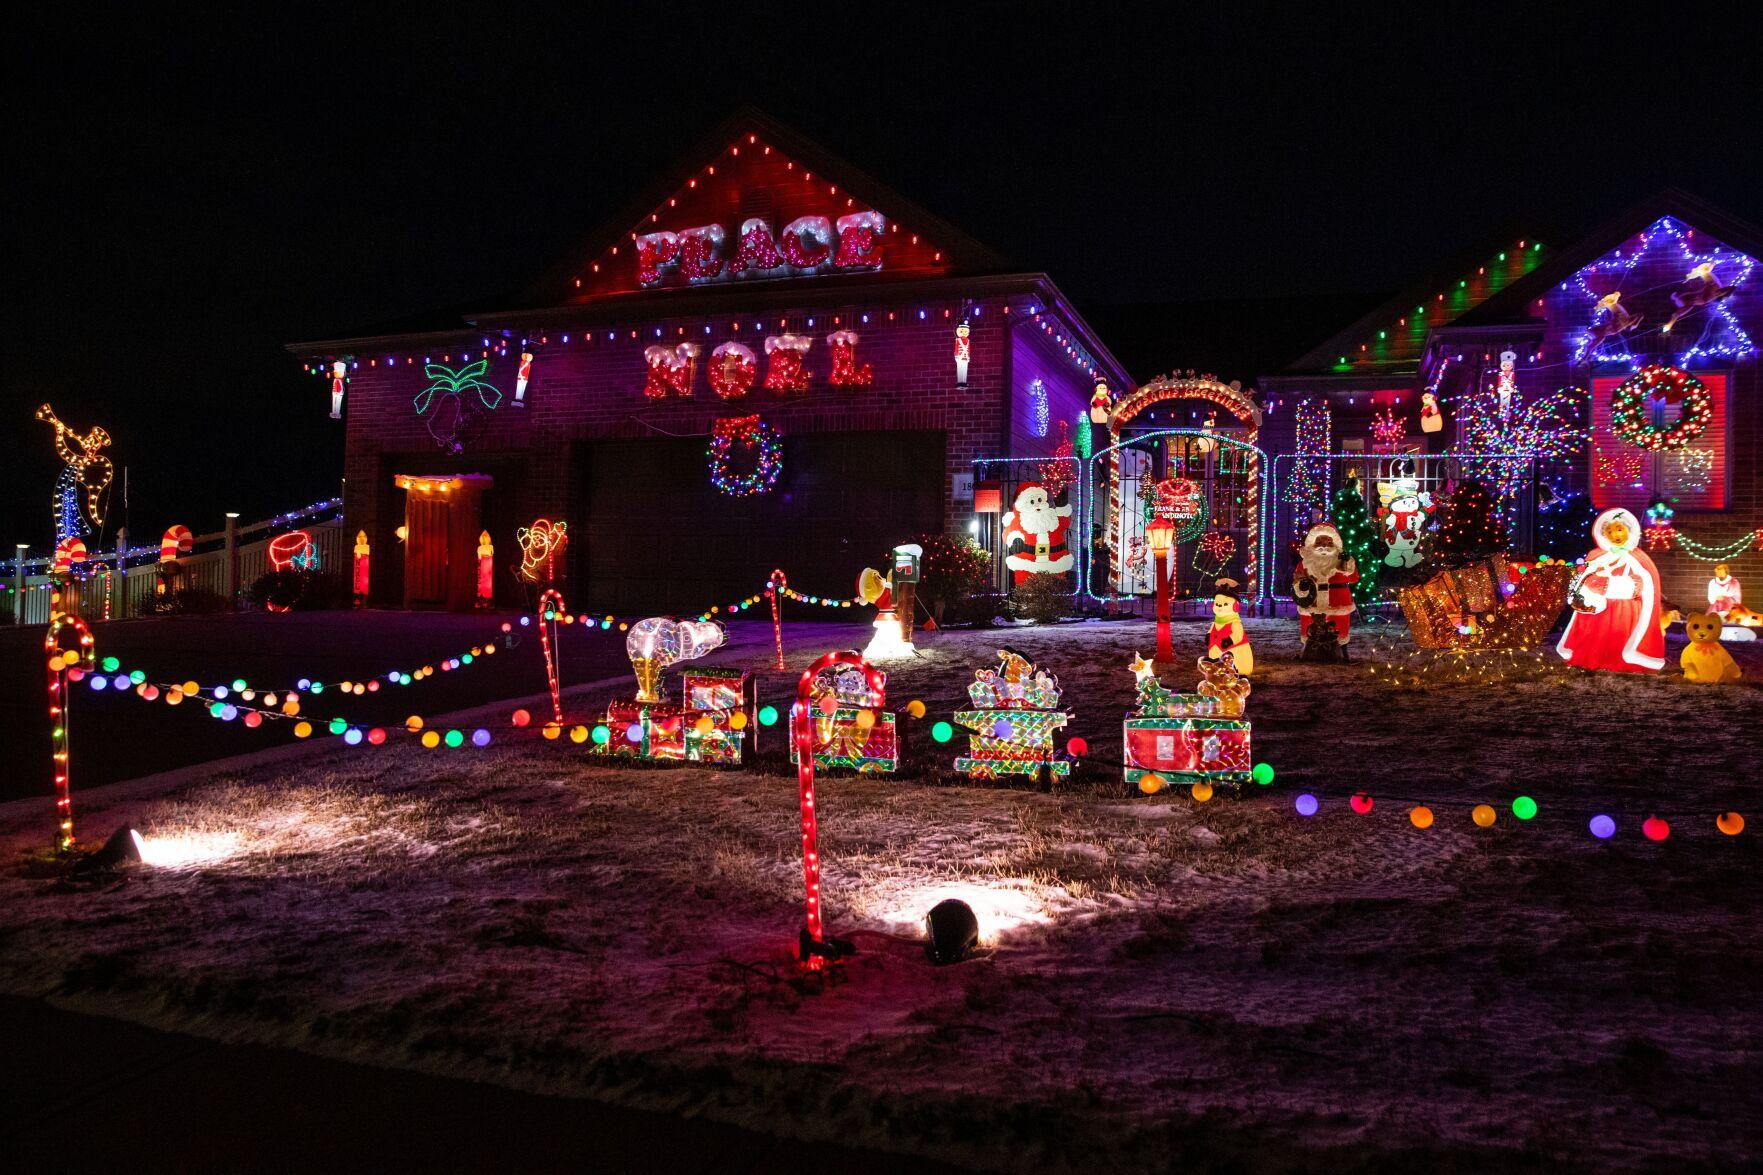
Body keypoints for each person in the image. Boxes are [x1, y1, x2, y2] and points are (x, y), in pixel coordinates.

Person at [1557, 508, 1664, 673]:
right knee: (1596, 636)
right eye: (1609, 531)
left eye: (1619, 529)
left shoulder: (1638, 557)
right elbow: (1583, 577)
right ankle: (1594, 659)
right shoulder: (1595, 555)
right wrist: (1590, 583)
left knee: (1618, 635)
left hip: (1625, 609)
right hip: (1598, 608)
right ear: (1603, 534)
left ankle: (1620, 660)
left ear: (1629, 530)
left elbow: (1644, 584)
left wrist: (1612, 585)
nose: (1615, 535)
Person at [1293, 522, 1359, 647]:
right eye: (1319, 543)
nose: (1324, 546)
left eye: (1328, 543)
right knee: (1311, 630)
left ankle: (1342, 651)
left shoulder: (1343, 561)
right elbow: (1297, 581)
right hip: (1313, 601)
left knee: (1338, 630)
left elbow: (1353, 578)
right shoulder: (1305, 563)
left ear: (1335, 545)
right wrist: (1301, 588)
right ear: (1312, 545)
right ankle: (1309, 651)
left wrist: (1347, 565)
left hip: (1337, 601)